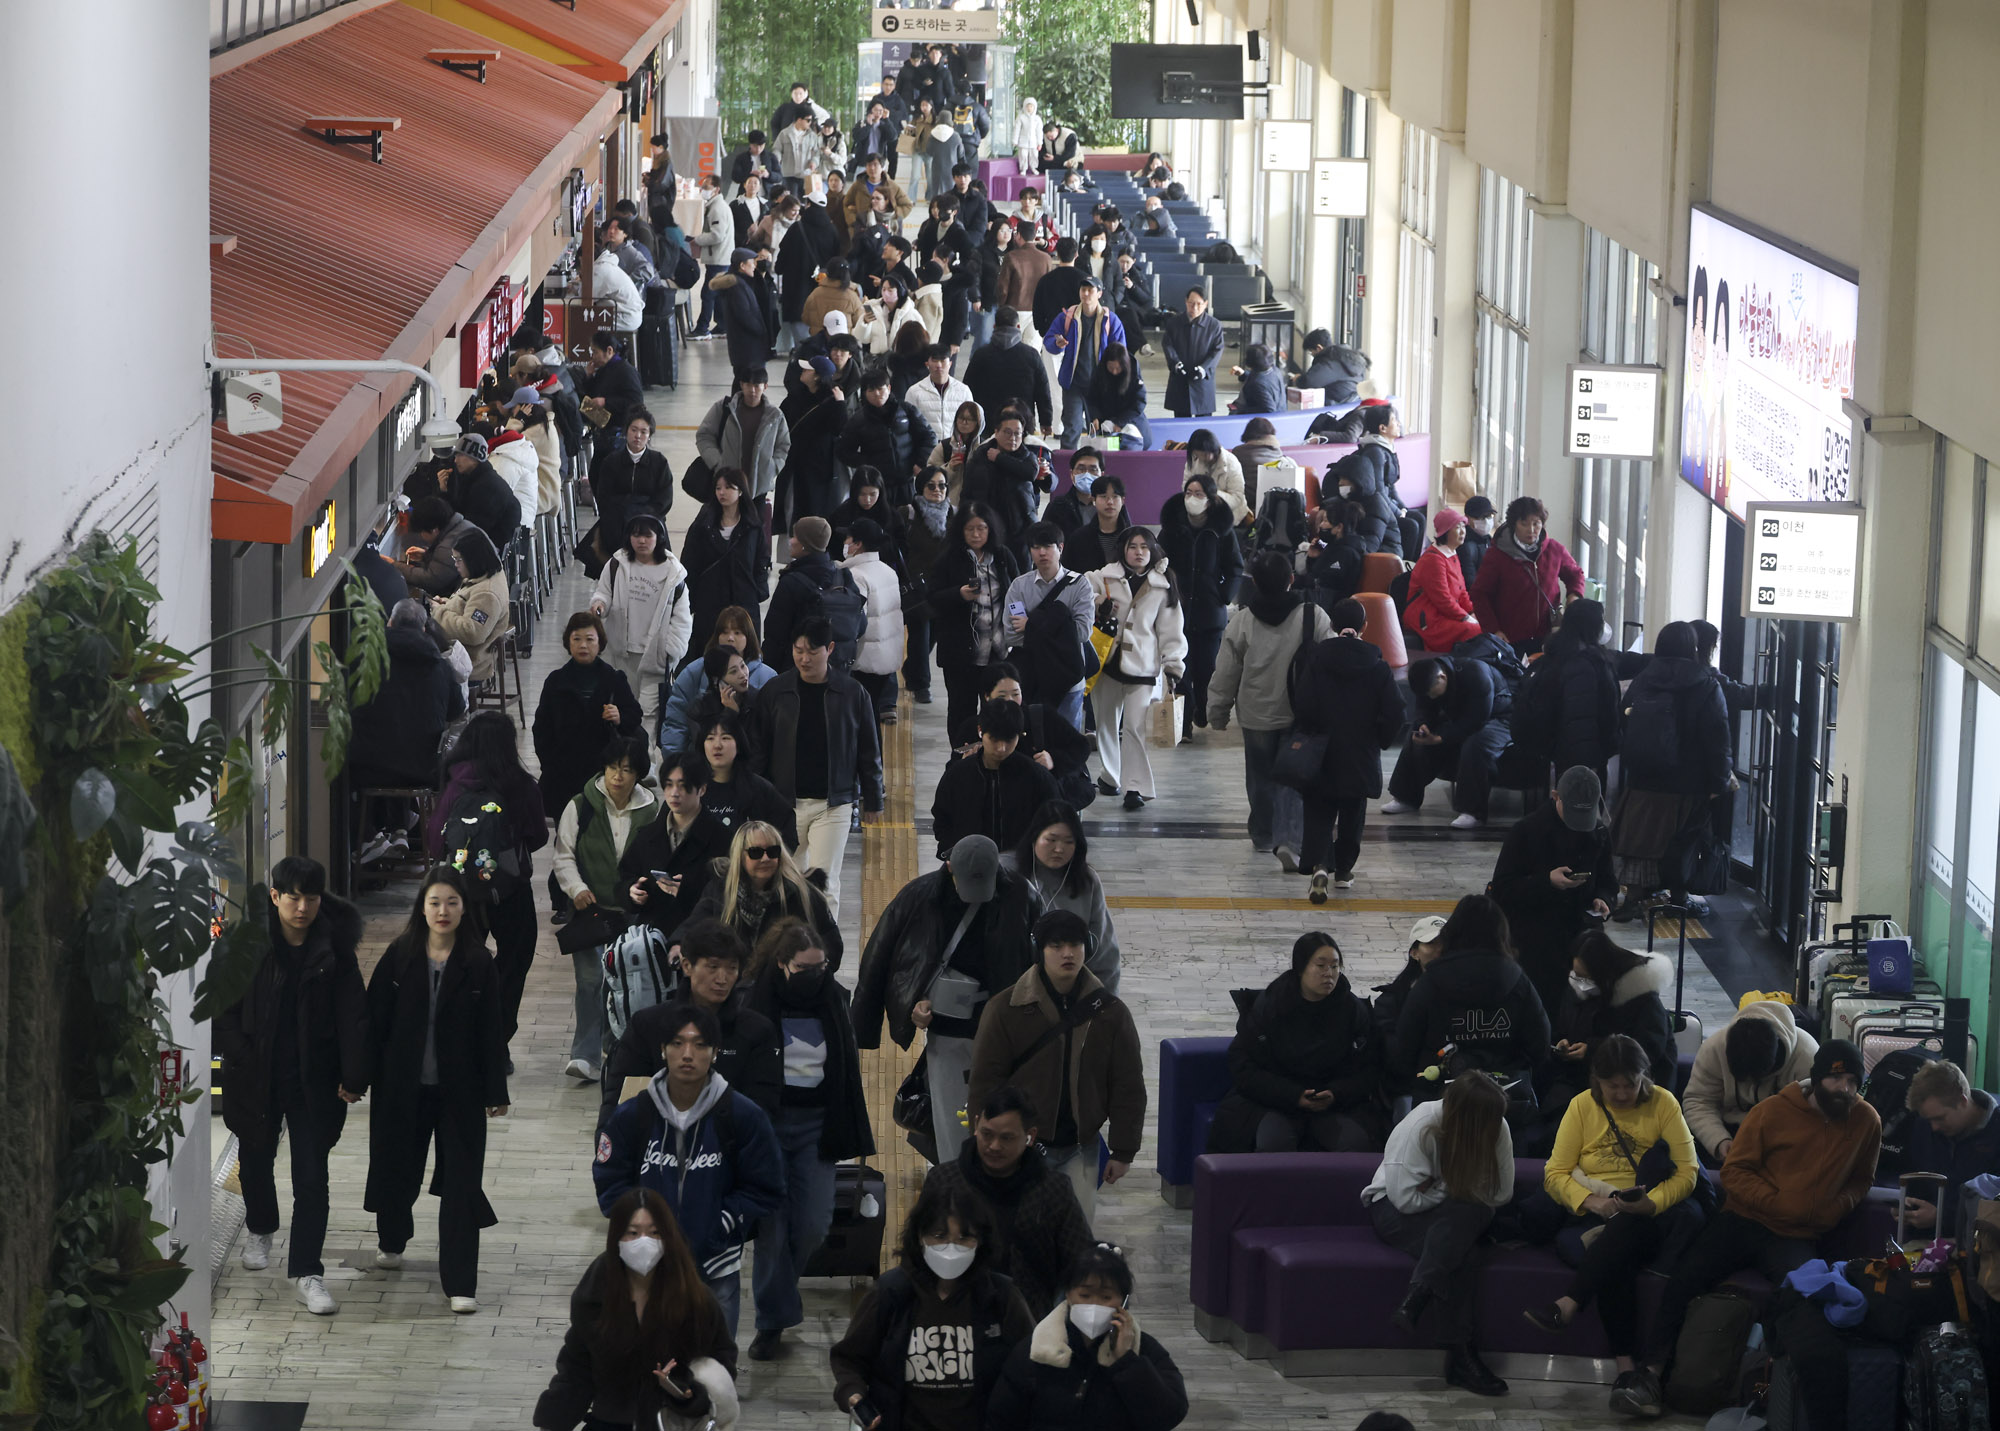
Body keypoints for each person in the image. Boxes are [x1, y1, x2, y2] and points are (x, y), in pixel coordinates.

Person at [1615, 1040, 1881, 1419]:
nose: (1846, 1088)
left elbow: (1861, 1180)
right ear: (1819, 1077)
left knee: (1801, 1300)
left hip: (1798, 1234)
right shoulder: (1772, 1111)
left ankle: (1779, 1394)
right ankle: (1650, 1374)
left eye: (1854, 1080)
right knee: (1686, 1278)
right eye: (1837, 1077)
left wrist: (1835, 1209)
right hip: (1744, 1219)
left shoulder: (1866, 1120)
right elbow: (1735, 1171)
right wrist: (1777, 1203)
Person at [216, 858, 368, 1316]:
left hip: (313, 1080)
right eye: (293, 897)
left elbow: (353, 1015)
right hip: (256, 1075)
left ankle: (308, 1271)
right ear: (275, 897)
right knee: (255, 1159)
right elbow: (221, 1007)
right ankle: (261, 1227)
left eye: (311, 898)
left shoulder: (335, 950)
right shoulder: (246, 946)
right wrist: (239, 1054)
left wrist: (354, 1073)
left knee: (312, 1176)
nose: (302, 907)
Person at [1524, 1036, 1704, 1403]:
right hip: (1599, 1209)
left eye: (1630, 1085)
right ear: (1597, 1080)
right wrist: (1593, 1202)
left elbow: (1688, 1173)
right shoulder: (1581, 1107)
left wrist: (1651, 1203)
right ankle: (1626, 1374)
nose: (1622, 1094)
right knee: (1613, 1252)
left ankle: (1572, 1308)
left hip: (1652, 1212)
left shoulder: (1663, 1104)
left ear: (1644, 1077)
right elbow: (1555, 1173)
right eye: (1612, 1086)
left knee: (1617, 1238)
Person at [361, 867, 508, 1314]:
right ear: (421, 907)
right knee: (398, 1167)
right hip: (402, 1087)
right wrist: (355, 1078)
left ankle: (461, 1282)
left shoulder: (479, 962)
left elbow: (491, 1032)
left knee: (463, 1183)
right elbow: (373, 1023)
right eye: (434, 902)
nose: (442, 911)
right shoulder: (400, 955)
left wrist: (495, 1089)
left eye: (452, 902)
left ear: (465, 908)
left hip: (459, 1092)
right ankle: (392, 1237)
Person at [593, 1003, 788, 1337]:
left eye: (699, 1045)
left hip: (716, 1265)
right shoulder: (632, 1115)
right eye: (677, 1043)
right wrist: (635, 1226)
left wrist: (725, 1222)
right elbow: (609, 1177)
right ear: (662, 1050)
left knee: (713, 1369)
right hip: (644, 1265)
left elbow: (767, 1184)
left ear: (714, 1053)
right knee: (647, 1365)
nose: (688, 1054)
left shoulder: (743, 1116)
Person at [853, 836, 1044, 1162]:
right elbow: (879, 961)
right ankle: (957, 1180)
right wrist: (907, 1006)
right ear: (949, 867)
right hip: (947, 1027)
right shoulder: (920, 896)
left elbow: (1043, 955)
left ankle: (992, 1179)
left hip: (1004, 1028)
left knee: (1000, 1117)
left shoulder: (1021, 895)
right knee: (952, 1118)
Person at [740, 919, 875, 1360]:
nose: (815, 974)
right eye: (805, 967)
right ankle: (772, 1319)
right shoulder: (755, 1005)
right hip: (769, 1126)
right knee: (773, 1229)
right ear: (782, 965)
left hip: (818, 1125)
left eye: (822, 966)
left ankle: (779, 1294)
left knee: (814, 1224)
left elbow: (847, 1073)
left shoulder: (833, 1002)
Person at [829, 1175, 1034, 1431]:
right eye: (939, 1236)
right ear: (919, 1237)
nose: (951, 1249)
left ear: (980, 1242)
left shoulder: (1001, 1297)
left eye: (964, 1239)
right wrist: (854, 1396)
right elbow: (849, 1358)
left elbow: (1029, 1364)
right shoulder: (891, 1292)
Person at [532, 1187, 740, 1430]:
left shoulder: (695, 1299)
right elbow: (577, 1366)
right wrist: (554, 1419)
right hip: (610, 1420)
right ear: (616, 1237)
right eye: (633, 1233)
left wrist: (685, 1391)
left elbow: (721, 1363)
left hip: (672, 1420)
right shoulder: (595, 1295)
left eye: (654, 1233)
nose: (644, 1242)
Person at [1361, 1070, 1515, 1396]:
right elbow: (1405, 1199)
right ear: (1465, 1118)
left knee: (1466, 1216)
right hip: (1391, 1207)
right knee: (1465, 1248)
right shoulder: (1421, 1126)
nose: (1496, 1128)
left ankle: (1418, 1295)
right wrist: (1453, 1189)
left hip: (1457, 1213)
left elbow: (1501, 1194)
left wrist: (1445, 1189)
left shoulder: (1496, 1124)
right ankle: (1461, 1358)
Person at [425, 713, 548, 1061]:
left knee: (461, 963)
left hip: (460, 893)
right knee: (514, 961)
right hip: (511, 890)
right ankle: (496, 1043)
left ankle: (461, 1038)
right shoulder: (522, 786)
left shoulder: (454, 784)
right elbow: (538, 836)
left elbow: (436, 842)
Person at [743, 618, 886, 914]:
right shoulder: (776, 692)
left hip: (834, 803)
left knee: (825, 882)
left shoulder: (852, 694)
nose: (804, 659)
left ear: (830, 649)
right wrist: (755, 795)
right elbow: (759, 748)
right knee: (787, 881)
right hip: (784, 803)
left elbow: (868, 750)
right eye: (798, 651)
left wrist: (873, 797)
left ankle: (825, 953)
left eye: (812, 651)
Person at [922, 1086, 1094, 1318]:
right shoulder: (943, 1182)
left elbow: (1080, 1259)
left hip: (1029, 1320)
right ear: (975, 1126)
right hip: (955, 1317)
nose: (994, 1146)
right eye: (987, 1134)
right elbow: (917, 1251)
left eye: (1006, 1138)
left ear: (1030, 1136)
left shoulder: (1053, 1189)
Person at [1208, 932, 1384, 1156]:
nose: (1328, 974)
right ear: (1300, 968)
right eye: (1320, 965)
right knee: (1272, 1145)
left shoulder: (1352, 1010)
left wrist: (1336, 1093)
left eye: (1335, 966)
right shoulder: (1271, 1006)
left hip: (1335, 1104)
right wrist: (1293, 1095)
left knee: (1357, 1144)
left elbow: (1369, 1068)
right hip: (1278, 1101)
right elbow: (1244, 1066)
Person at [1209, 553, 1334, 864]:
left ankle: (1264, 836)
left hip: (1256, 714)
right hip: (1299, 712)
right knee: (1294, 778)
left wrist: (1217, 712)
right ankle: (1290, 840)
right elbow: (1331, 660)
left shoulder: (1242, 621)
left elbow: (1226, 671)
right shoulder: (1312, 615)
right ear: (1291, 579)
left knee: (1260, 778)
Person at [988, 1242, 1190, 1431]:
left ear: (1123, 1301)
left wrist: (1128, 1363)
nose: (1095, 1305)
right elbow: (1001, 1419)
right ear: (1068, 1294)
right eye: (1085, 1295)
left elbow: (1169, 1415)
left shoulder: (1144, 1350)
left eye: (1106, 1297)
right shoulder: (1036, 1351)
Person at [551, 736, 661, 1081]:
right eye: (614, 767)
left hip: (632, 912)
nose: (618, 775)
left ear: (638, 774)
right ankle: (584, 1055)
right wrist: (576, 888)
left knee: (626, 983)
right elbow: (563, 854)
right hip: (590, 909)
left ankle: (615, 1047)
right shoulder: (581, 805)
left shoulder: (652, 809)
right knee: (590, 980)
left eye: (627, 770)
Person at [1609, 621, 1733, 912]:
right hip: (1688, 782)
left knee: (1640, 839)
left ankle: (1633, 899)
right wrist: (1718, 782)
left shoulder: (1643, 679)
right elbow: (1718, 737)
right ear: (1693, 648)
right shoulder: (1705, 683)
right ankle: (1679, 897)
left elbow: (1623, 720)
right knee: (1683, 841)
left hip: (1643, 778)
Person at [1289, 597, 1406, 902]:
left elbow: (1303, 704)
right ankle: (1343, 870)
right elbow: (1396, 712)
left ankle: (1319, 864)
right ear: (1365, 626)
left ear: (1331, 625)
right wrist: (1379, 738)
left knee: (1318, 810)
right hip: (1360, 752)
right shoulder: (1378, 667)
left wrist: (1312, 731)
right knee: (1353, 813)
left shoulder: (1316, 660)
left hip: (1321, 751)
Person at [1389, 894, 1551, 1098]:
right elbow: (1540, 1044)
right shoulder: (1517, 980)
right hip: (1504, 1099)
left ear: (1452, 933)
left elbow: (1406, 1046)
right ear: (1501, 933)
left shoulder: (1431, 982)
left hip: (1440, 1098)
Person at [348, 599, 465, 859]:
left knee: (345, 767)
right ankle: (400, 827)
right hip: (424, 770)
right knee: (407, 741)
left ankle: (368, 837)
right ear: (424, 629)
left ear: (389, 623)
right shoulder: (440, 666)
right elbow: (456, 711)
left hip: (373, 768)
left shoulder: (365, 659)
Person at [1086, 529, 1187, 811]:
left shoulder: (1163, 584)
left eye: (1145, 546)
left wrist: (1173, 665)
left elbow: (1171, 629)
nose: (1139, 552)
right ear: (1123, 550)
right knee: (1105, 723)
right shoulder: (1104, 577)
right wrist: (1099, 603)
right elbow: (1082, 592)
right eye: (1133, 546)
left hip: (1143, 665)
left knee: (1134, 728)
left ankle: (1135, 787)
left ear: (1153, 550)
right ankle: (1110, 776)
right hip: (1106, 663)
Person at [533, 613, 644, 843]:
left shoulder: (614, 679)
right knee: (565, 837)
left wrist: (619, 716)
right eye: (576, 639)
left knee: (601, 835)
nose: (583, 645)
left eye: (590, 639)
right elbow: (541, 729)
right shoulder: (556, 682)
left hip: (605, 774)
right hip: (564, 775)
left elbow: (635, 716)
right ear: (568, 643)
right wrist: (551, 763)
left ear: (600, 643)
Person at [1540, 933, 1676, 1118]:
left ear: (1604, 973)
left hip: (1631, 1092)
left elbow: (1647, 1051)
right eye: (1576, 976)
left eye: (1586, 977)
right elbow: (1565, 1027)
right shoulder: (1579, 991)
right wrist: (1562, 1044)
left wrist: (1593, 1050)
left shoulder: (1644, 1000)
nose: (1580, 983)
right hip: (1580, 1084)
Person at [927, 502, 1023, 747]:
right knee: (962, 712)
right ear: (961, 531)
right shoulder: (949, 558)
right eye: (970, 529)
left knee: (997, 709)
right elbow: (931, 599)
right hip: (962, 655)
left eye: (981, 528)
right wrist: (958, 595)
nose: (976, 534)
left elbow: (1016, 593)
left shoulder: (1002, 556)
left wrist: (1020, 621)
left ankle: (996, 753)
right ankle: (962, 759)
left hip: (998, 652)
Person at [686, 818, 842, 969]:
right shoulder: (719, 889)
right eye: (756, 852)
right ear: (740, 856)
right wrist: (677, 945)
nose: (765, 858)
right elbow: (694, 926)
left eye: (773, 851)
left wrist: (811, 972)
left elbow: (831, 942)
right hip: (732, 984)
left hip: (788, 987)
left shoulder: (803, 893)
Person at [1379, 655, 1514, 829]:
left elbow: (1477, 719)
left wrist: (1441, 737)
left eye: (1431, 692)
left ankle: (1472, 812)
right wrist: (1424, 726)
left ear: (1442, 677)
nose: (1430, 697)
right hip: (1461, 717)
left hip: (1498, 718)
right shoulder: (1427, 681)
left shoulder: (1476, 674)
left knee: (1477, 744)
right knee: (1416, 737)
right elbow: (1424, 709)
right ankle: (1406, 797)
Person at [616, 749, 734, 947]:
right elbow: (624, 878)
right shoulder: (648, 835)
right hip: (651, 942)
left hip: (703, 943)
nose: (674, 793)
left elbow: (729, 894)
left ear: (702, 789)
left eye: (684, 785)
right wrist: (632, 892)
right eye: (669, 785)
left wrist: (687, 892)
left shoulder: (722, 839)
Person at [1681, 998, 1819, 1165]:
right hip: (1727, 1128)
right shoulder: (1714, 1049)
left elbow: (1810, 1117)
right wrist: (1718, 1141)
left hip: (1783, 1137)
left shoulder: (1807, 1056)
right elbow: (1699, 1101)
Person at [1157, 472, 1243, 740]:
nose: (1192, 499)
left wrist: (1223, 595)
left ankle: (1201, 710)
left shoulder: (1222, 531)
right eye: (1188, 493)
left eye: (1199, 494)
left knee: (1206, 669)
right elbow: (1159, 563)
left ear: (1211, 499)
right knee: (1181, 669)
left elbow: (1235, 567)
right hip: (1177, 608)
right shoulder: (1171, 528)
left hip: (1209, 610)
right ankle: (1182, 726)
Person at [1002, 802, 1120, 996]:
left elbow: (1104, 950)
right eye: (1051, 839)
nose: (1059, 849)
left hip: (1070, 991)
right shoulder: (1007, 874)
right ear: (1034, 838)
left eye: (1068, 841)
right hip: (1015, 991)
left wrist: (1106, 1001)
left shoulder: (1086, 882)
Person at [588, 512, 692, 730]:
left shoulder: (673, 574)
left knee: (648, 718)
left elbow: (682, 620)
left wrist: (670, 651)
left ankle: (646, 763)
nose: (642, 541)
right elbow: (604, 592)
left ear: (659, 537)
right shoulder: (617, 565)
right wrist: (599, 604)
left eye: (647, 535)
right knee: (621, 711)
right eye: (636, 536)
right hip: (622, 656)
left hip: (655, 659)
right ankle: (625, 760)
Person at [1508, 598, 1621, 787]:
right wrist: (1586, 765)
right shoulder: (1585, 664)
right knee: (1579, 810)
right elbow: (1581, 721)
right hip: (1580, 761)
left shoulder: (1553, 655)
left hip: (1555, 751)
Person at [930, 699, 1062, 859]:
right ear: (980, 731)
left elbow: (1054, 820)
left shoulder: (1037, 777)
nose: (1001, 748)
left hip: (1022, 865)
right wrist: (954, 853)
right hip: (969, 865)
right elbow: (942, 818)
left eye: (1009, 740)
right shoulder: (959, 775)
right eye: (994, 739)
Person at [1001, 520, 1094, 728]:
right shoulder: (1019, 586)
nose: (1042, 552)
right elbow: (1014, 634)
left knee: (1066, 742)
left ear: (1060, 548)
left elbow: (1081, 633)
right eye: (1036, 547)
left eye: (1048, 546)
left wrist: (1032, 624)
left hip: (1068, 679)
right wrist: (1059, 626)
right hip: (1031, 678)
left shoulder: (1079, 585)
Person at [679, 469, 772, 664]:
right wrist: (690, 600)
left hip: (744, 600)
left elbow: (761, 561)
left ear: (740, 492)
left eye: (729, 487)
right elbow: (690, 562)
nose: (722, 492)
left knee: (745, 656)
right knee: (709, 654)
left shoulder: (752, 526)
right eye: (718, 488)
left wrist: (759, 591)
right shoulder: (702, 525)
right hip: (710, 601)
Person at [1894, 1060, 2000, 1231]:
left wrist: (1941, 1216)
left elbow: (1995, 1207)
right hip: (1924, 1241)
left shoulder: (1996, 1132)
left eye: (1940, 1118)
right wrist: (1907, 1207)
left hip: (1979, 1244)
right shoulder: (1924, 1126)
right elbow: (1914, 1179)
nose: (1934, 1127)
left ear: (1963, 1101)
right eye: (1928, 1119)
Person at [1469, 495, 1586, 648]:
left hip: (1548, 637)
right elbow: (1480, 594)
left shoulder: (1554, 549)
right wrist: (1493, 630)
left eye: (1536, 524)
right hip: (1510, 639)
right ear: (1513, 524)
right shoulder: (1497, 555)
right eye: (1524, 524)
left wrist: (1574, 597)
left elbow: (1575, 574)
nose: (1531, 530)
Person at [696, 366, 792, 540]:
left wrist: (772, 467)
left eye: (757, 385)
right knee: (723, 529)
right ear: (741, 385)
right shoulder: (724, 408)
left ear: (766, 386)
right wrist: (718, 463)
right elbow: (704, 435)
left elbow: (783, 445)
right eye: (748, 384)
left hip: (758, 488)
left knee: (755, 534)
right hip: (728, 485)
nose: (752, 390)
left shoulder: (775, 415)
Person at [660, 614, 776, 757]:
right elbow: (681, 728)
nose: (730, 638)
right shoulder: (698, 697)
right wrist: (675, 763)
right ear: (717, 679)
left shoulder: (762, 688)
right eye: (725, 632)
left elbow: (760, 747)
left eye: (738, 632)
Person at [695, 711, 799, 846]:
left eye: (725, 738)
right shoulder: (692, 787)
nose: (717, 745)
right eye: (710, 738)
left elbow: (788, 830)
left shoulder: (759, 788)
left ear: (739, 745)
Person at [1044, 276, 1126, 447]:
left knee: (1103, 431)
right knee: (1071, 429)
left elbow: (1121, 352)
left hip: (1101, 387)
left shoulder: (1111, 320)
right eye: (1083, 290)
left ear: (1099, 294)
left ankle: (1104, 468)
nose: (1086, 293)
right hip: (1074, 384)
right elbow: (1049, 340)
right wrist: (1057, 344)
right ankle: (1067, 469)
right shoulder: (1067, 317)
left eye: (1091, 290)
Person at [839, 367, 938, 507]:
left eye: (881, 388)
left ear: (889, 388)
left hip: (908, 483)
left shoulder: (906, 410)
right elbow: (843, 450)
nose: (877, 394)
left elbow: (929, 436)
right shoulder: (858, 420)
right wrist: (868, 463)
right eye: (871, 390)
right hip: (878, 487)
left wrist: (920, 461)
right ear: (865, 393)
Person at [426, 526, 510, 688]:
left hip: (468, 663)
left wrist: (440, 612)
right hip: (461, 654)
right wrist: (446, 603)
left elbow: (472, 632)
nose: (455, 564)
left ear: (473, 560)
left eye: (458, 560)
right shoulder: (481, 576)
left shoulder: (487, 594)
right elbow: (466, 607)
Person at [589, 410, 674, 568]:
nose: (638, 436)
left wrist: (645, 517)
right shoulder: (611, 461)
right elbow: (604, 497)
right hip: (617, 521)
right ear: (626, 431)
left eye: (644, 432)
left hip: (651, 521)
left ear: (649, 435)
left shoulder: (659, 462)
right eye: (634, 430)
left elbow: (664, 499)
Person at [841, 516, 906, 720]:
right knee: (872, 715)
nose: (845, 544)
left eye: (848, 539)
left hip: (864, 659)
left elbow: (855, 621)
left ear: (858, 544)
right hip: (885, 656)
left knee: (861, 718)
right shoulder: (888, 571)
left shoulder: (856, 575)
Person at [899, 467, 955, 705]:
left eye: (941, 485)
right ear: (920, 488)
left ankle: (911, 671)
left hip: (943, 587)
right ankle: (921, 684)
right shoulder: (908, 514)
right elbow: (897, 549)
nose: (937, 490)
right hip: (916, 588)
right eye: (931, 486)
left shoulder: (954, 514)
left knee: (932, 635)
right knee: (920, 636)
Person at [1321, 405, 1408, 558]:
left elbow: (1390, 486)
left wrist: (1402, 509)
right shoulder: (1375, 452)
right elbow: (1381, 490)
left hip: (1378, 544)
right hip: (1383, 521)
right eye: (1394, 420)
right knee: (1411, 524)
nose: (1399, 424)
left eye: (1344, 481)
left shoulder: (1388, 450)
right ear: (1382, 427)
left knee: (1414, 521)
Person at [960, 412, 1042, 564]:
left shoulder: (1026, 457)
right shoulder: (980, 457)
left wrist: (1000, 458)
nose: (1013, 438)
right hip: (988, 529)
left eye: (1017, 433)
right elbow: (967, 493)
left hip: (1019, 530)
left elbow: (1030, 473)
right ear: (996, 432)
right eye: (1007, 432)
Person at [1405, 509, 1482, 652]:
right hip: (1429, 618)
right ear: (1445, 532)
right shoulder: (1433, 559)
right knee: (1474, 630)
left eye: (1463, 526)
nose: (1462, 531)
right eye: (1457, 527)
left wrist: (1473, 612)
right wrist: (1465, 617)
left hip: (1447, 613)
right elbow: (1442, 599)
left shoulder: (1452, 553)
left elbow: (1462, 592)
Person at [390, 496, 475, 597]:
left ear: (434, 530)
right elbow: (447, 566)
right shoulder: (463, 526)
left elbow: (431, 580)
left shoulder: (448, 548)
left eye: (422, 531)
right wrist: (427, 555)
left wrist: (393, 565)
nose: (421, 535)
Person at [709, 249, 779, 370]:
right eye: (752, 262)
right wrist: (761, 330)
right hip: (748, 347)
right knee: (747, 381)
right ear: (742, 265)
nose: (754, 266)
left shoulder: (741, 283)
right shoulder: (737, 286)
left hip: (745, 347)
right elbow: (744, 315)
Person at [1162, 287, 1225, 419]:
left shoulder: (1214, 325)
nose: (1194, 307)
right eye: (1191, 303)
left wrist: (1204, 367)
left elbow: (1217, 349)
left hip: (1203, 380)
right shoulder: (1174, 323)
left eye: (1199, 304)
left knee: (1204, 421)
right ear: (1186, 302)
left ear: (1206, 304)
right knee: (1181, 420)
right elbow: (1168, 345)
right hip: (1181, 378)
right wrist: (1175, 363)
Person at [580, 329, 647, 437]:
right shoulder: (604, 369)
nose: (593, 356)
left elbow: (636, 402)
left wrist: (606, 402)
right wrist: (589, 376)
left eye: (595, 352)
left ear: (609, 351)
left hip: (618, 428)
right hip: (601, 421)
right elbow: (592, 393)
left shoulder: (626, 371)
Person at [1084, 341, 1151, 450]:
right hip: (1106, 420)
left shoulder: (1134, 372)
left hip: (1130, 418)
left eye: (1118, 368)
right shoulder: (1099, 372)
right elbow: (1091, 398)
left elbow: (1139, 402)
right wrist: (1095, 416)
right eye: (1111, 368)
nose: (1114, 372)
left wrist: (1119, 422)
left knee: (1137, 446)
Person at [1061, 472, 1128, 575]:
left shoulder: (1131, 536)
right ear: (1093, 500)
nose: (1110, 502)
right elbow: (1068, 573)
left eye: (1115, 497)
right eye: (1103, 496)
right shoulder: (1079, 538)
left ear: (1123, 501)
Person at [1182, 427, 1250, 526]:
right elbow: (1185, 487)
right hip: (1200, 515)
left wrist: (1209, 493)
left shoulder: (1232, 463)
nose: (1206, 457)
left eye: (1207, 453)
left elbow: (1237, 498)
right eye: (1200, 454)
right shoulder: (1193, 461)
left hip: (1230, 517)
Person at [1292, 329, 1369, 404]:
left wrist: (1297, 379)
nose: (1312, 354)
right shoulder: (1347, 357)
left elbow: (1309, 382)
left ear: (1319, 348)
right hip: (1351, 403)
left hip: (1336, 406)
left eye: (1311, 351)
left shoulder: (1330, 360)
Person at [1230, 343, 1285, 414]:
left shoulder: (1257, 384)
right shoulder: (1275, 370)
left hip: (1248, 418)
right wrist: (1243, 374)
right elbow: (1263, 381)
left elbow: (1269, 410)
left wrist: (1239, 410)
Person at [1458, 494, 1495, 588]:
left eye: (1489, 516)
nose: (1486, 521)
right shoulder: (1465, 546)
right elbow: (1471, 584)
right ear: (1467, 518)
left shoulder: (1488, 539)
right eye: (1481, 518)